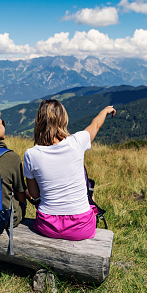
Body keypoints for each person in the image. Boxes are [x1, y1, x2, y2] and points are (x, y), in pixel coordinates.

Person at [23, 100, 116, 240]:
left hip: (47, 225)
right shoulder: (77, 142)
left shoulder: (31, 154)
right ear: (63, 119)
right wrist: (105, 111)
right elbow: (95, 125)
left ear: (39, 122)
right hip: (81, 227)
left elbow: (34, 195)